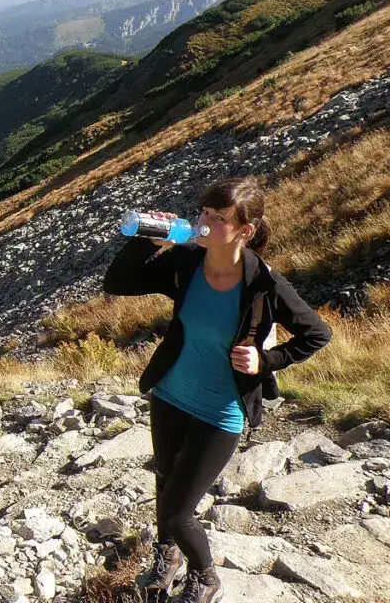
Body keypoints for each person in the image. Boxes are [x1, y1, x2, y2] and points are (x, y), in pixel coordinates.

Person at [102, 176, 331, 603]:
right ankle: (167, 555)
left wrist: (267, 361)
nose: (204, 223)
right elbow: (118, 283)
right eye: (203, 212)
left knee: (176, 510)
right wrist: (149, 239)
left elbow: (317, 334)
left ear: (245, 230)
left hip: (221, 408)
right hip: (171, 392)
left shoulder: (265, 285)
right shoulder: (187, 260)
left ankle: (205, 577)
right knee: (166, 483)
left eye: (218, 218)